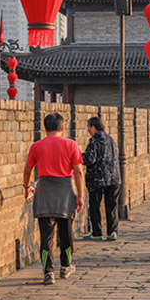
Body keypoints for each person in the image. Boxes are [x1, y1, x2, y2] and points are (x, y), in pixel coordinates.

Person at [23, 113, 85, 285]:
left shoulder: (36, 146)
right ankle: (65, 266)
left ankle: (48, 272)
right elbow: (79, 172)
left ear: (45, 128)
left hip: (44, 191)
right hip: (65, 191)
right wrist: (80, 196)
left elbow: (28, 170)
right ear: (62, 127)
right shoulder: (71, 144)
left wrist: (27, 187)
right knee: (66, 233)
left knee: (46, 236)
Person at [82, 117, 121, 241]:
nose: (88, 130)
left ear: (93, 127)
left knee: (95, 205)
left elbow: (90, 159)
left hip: (97, 178)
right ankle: (112, 232)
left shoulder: (94, 140)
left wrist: (78, 156)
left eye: (88, 127)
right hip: (114, 177)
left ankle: (97, 233)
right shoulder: (110, 139)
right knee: (112, 205)